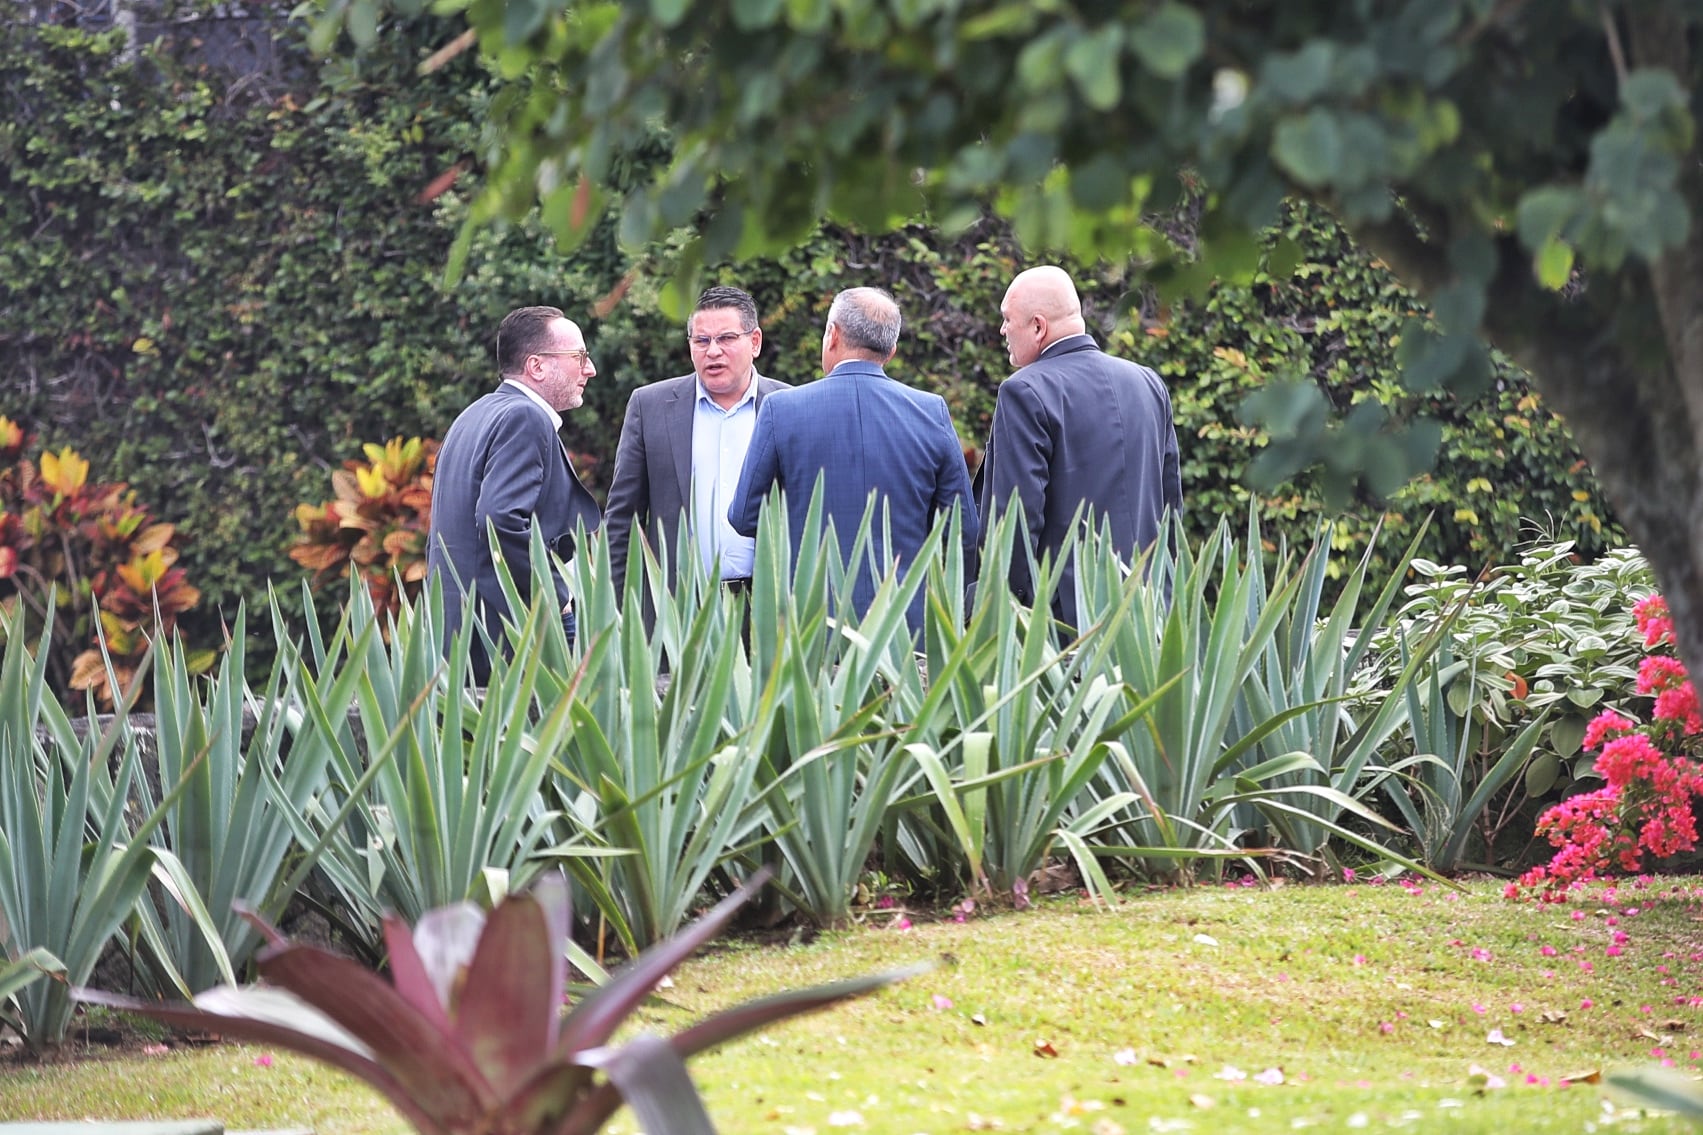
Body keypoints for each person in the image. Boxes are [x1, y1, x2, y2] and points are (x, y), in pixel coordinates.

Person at [728, 286, 977, 632]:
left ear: (832, 334)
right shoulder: (931, 411)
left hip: (810, 624)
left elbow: (743, 517)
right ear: (891, 351)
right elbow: (964, 527)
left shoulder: (781, 410)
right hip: (906, 624)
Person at [975, 265, 1182, 630]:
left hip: (1066, 630)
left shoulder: (1024, 391)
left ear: (1038, 327)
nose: (1003, 330)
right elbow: (1170, 511)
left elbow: (1016, 523)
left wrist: (1004, 613)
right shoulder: (1148, 383)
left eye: (1008, 320)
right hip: (1151, 618)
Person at [426, 305, 601, 678]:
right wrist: (559, 596)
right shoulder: (525, 417)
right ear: (537, 366)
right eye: (579, 357)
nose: (590, 369)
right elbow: (499, 518)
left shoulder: (472, 415)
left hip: (458, 632)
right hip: (506, 636)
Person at [603, 286, 790, 596]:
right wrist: (619, 608)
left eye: (727, 339)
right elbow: (623, 518)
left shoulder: (791, 405)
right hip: (679, 610)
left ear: (755, 341)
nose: (713, 351)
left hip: (770, 608)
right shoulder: (650, 407)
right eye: (701, 341)